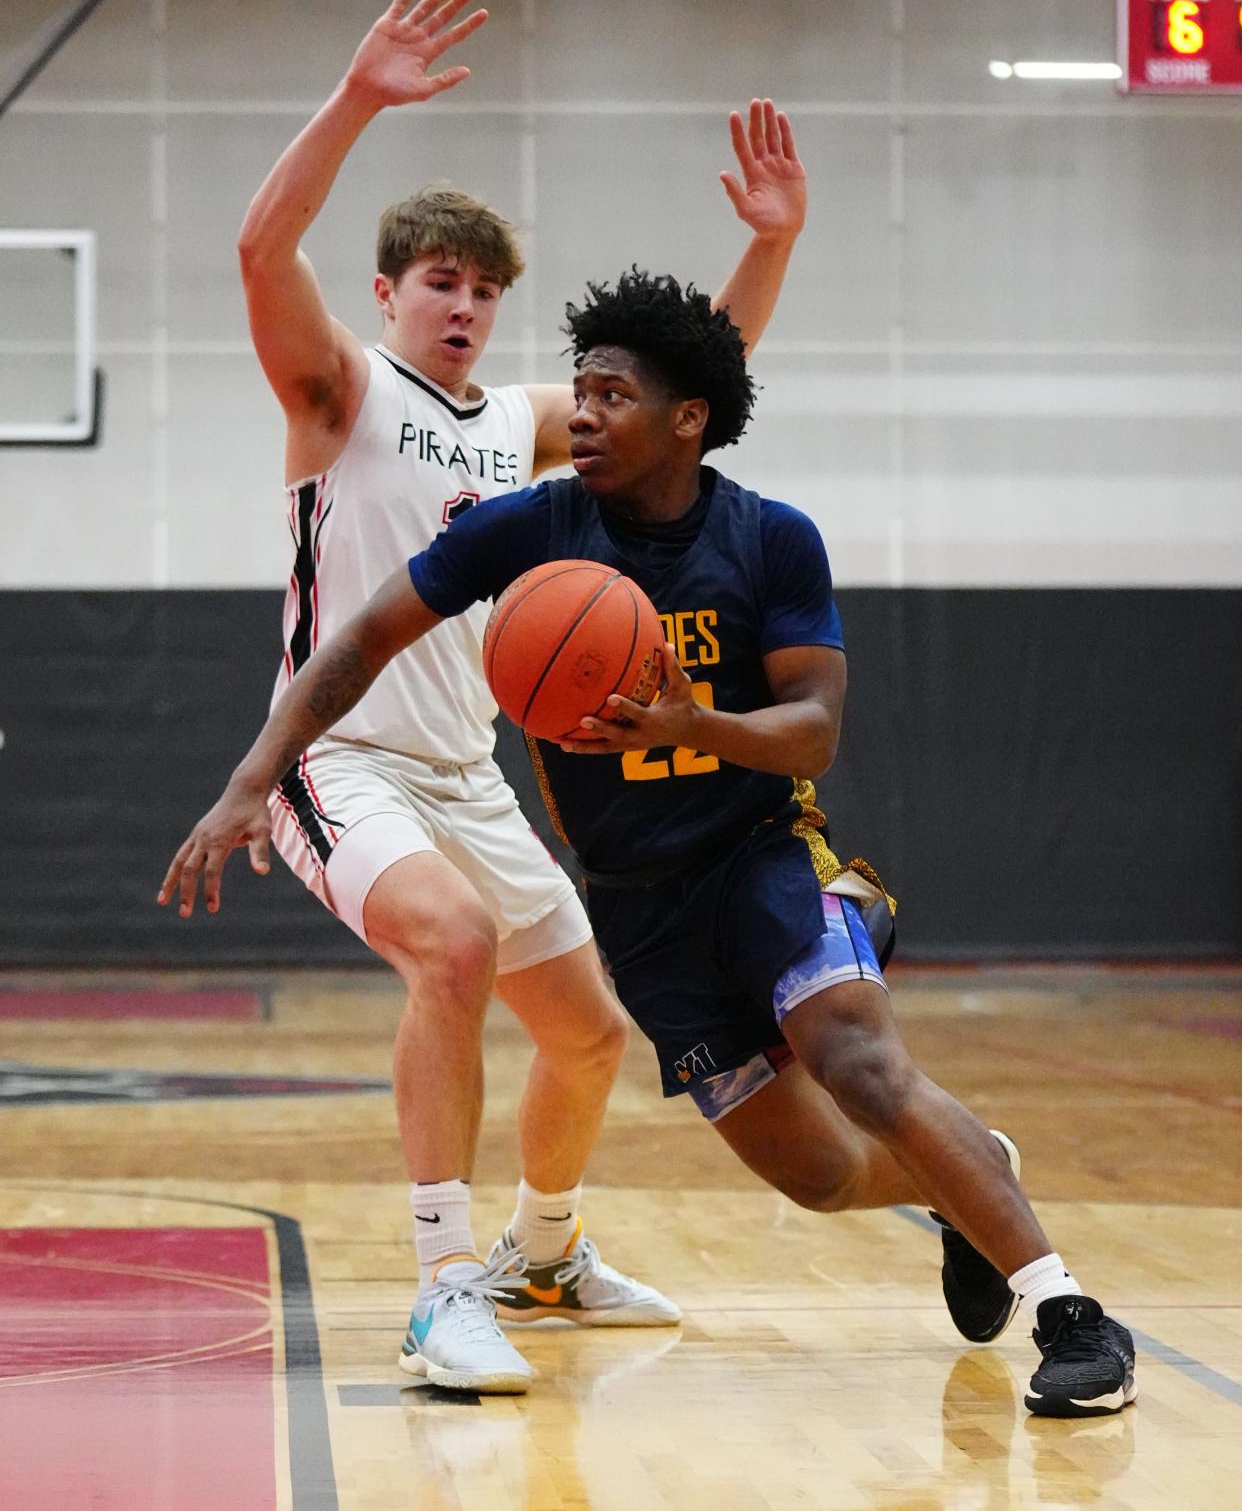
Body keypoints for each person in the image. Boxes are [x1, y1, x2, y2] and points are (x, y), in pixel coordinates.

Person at [163, 269, 1138, 1419]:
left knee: (857, 1061)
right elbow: (361, 638)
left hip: (765, 855)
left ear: (688, 419)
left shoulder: (772, 541)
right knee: (819, 1175)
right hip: (640, 903)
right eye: (576, 391)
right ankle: (980, 1177)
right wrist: (250, 778)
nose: (579, 414)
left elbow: (813, 735)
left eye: (611, 394)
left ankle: (1072, 1314)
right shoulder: (530, 529)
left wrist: (695, 725)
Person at [159, 0, 810, 1394]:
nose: (462, 304)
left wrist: (765, 248)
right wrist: (359, 97)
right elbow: (260, 241)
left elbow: (692, 370)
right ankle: (442, 1283)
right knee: (448, 948)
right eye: (438, 282)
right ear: (389, 293)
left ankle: (543, 1248)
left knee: (586, 1032)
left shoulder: (519, 426)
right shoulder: (336, 392)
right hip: (342, 763)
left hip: (465, 768)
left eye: (482, 288)